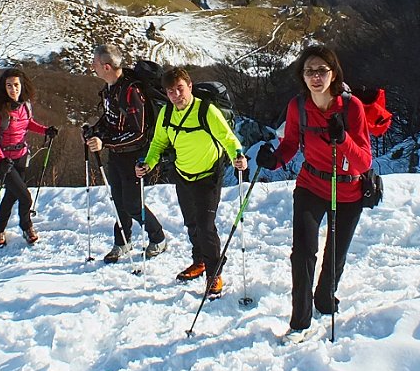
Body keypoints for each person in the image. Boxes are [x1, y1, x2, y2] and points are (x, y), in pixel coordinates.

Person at [256, 44, 372, 342]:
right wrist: (274, 159)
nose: (316, 77)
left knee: (336, 255)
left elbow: (364, 160)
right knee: (303, 253)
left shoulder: (352, 107)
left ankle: (324, 299)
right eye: (310, 71)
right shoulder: (298, 106)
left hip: (348, 190)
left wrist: (342, 138)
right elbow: (291, 143)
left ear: (333, 74)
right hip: (311, 184)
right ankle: (300, 322)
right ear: (302, 75)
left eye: (322, 70)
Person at [136, 67, 248, 298]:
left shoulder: (207, 110)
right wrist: (148, 163)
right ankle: (200, 262)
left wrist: (238, 155)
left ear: (190, 86)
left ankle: (214, 274)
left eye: (180, 88)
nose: (177, 95)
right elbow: (158, 143)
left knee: (206, 227)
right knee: (192, 223)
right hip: (183, 174)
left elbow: (227, 137)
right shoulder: (166, 114)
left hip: (208, 175)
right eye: (171, 91)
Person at [84, 43, 168, 262]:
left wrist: (105, 142)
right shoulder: (111, 88)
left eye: (95, 63)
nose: (92, 66)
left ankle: (158, 237)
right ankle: (122, 242)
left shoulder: (131, 91)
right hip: (118, 154)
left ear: (107, 66)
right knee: (118, 200)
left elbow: (139, 133)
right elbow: (111, 118)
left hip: (134, 155)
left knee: (132, 203)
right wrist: (96, 131)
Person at [0, 67, 57, 247]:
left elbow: (28, 123)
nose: (13, 89)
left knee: (12, 195)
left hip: (21, 156)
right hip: (3, 161)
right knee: (25, 197)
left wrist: (45, 130)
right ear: (3, 87)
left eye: (16, 85)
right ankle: (26, 226)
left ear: (22, 86)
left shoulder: (24, 106)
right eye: (9, 85)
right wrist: (1, 159)